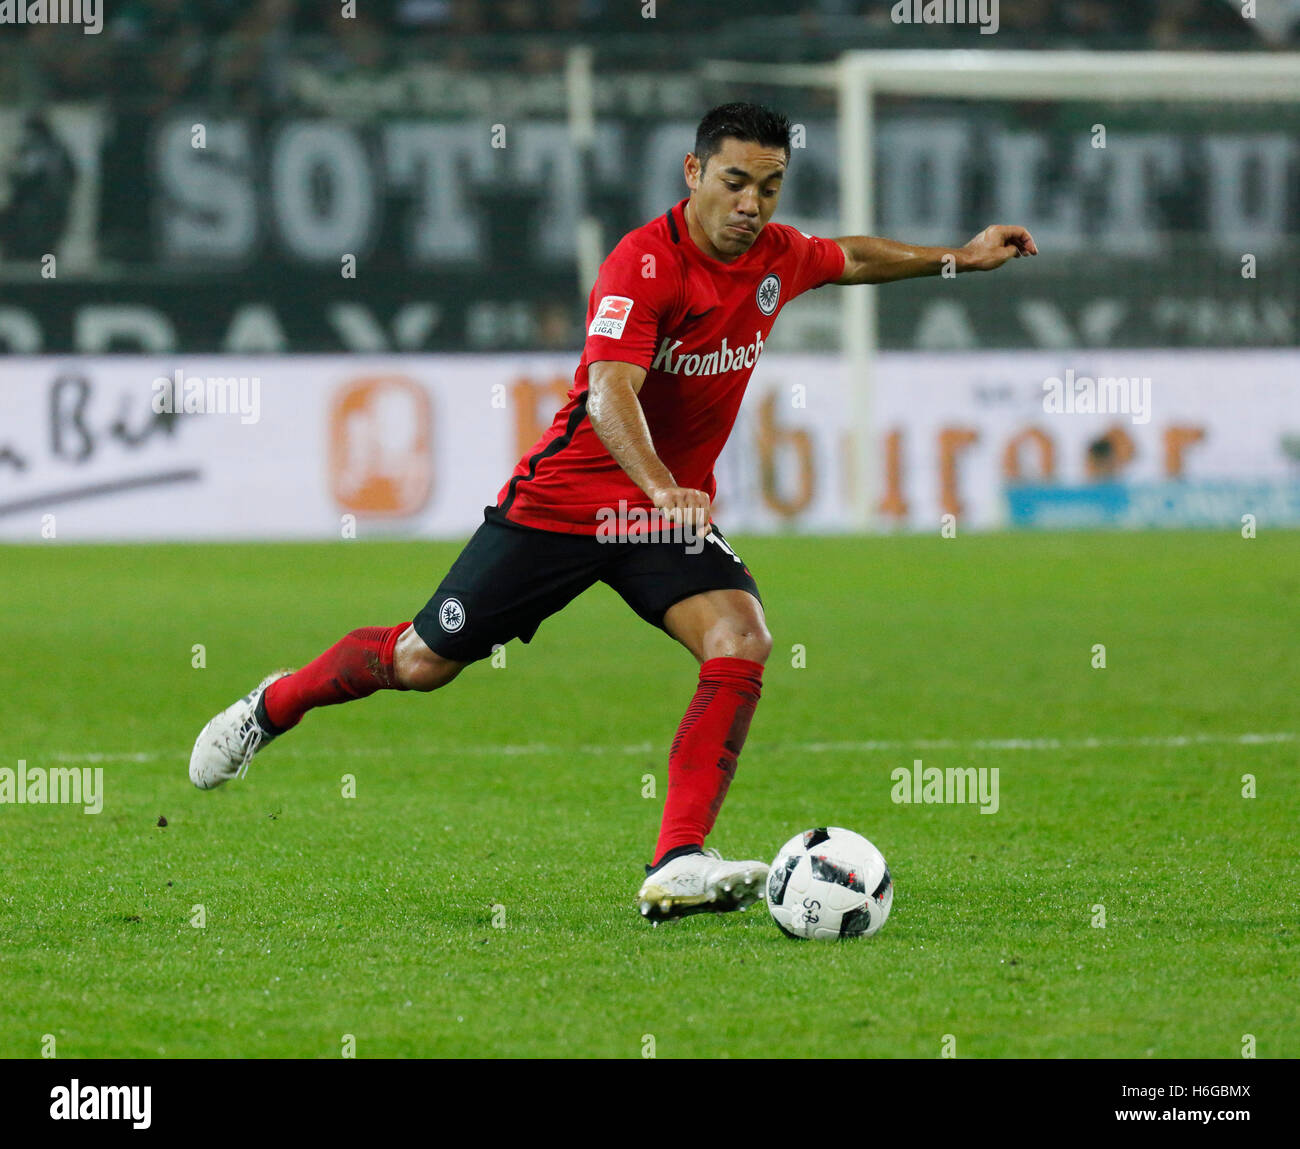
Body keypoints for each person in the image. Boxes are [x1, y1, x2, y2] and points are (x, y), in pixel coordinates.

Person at [189, 101, 1036, 921]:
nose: (751, 205)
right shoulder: (645, 263)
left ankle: (677, 860)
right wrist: (662, 482)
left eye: (770, 187)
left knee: (741, 637)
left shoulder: (775, 255)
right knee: (419, 662)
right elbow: (607, 392)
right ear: (693, 172)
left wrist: (958, 256)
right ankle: (274, 705)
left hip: (656, 523)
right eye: (735, 182)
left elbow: (847, 257)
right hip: (565, 505)